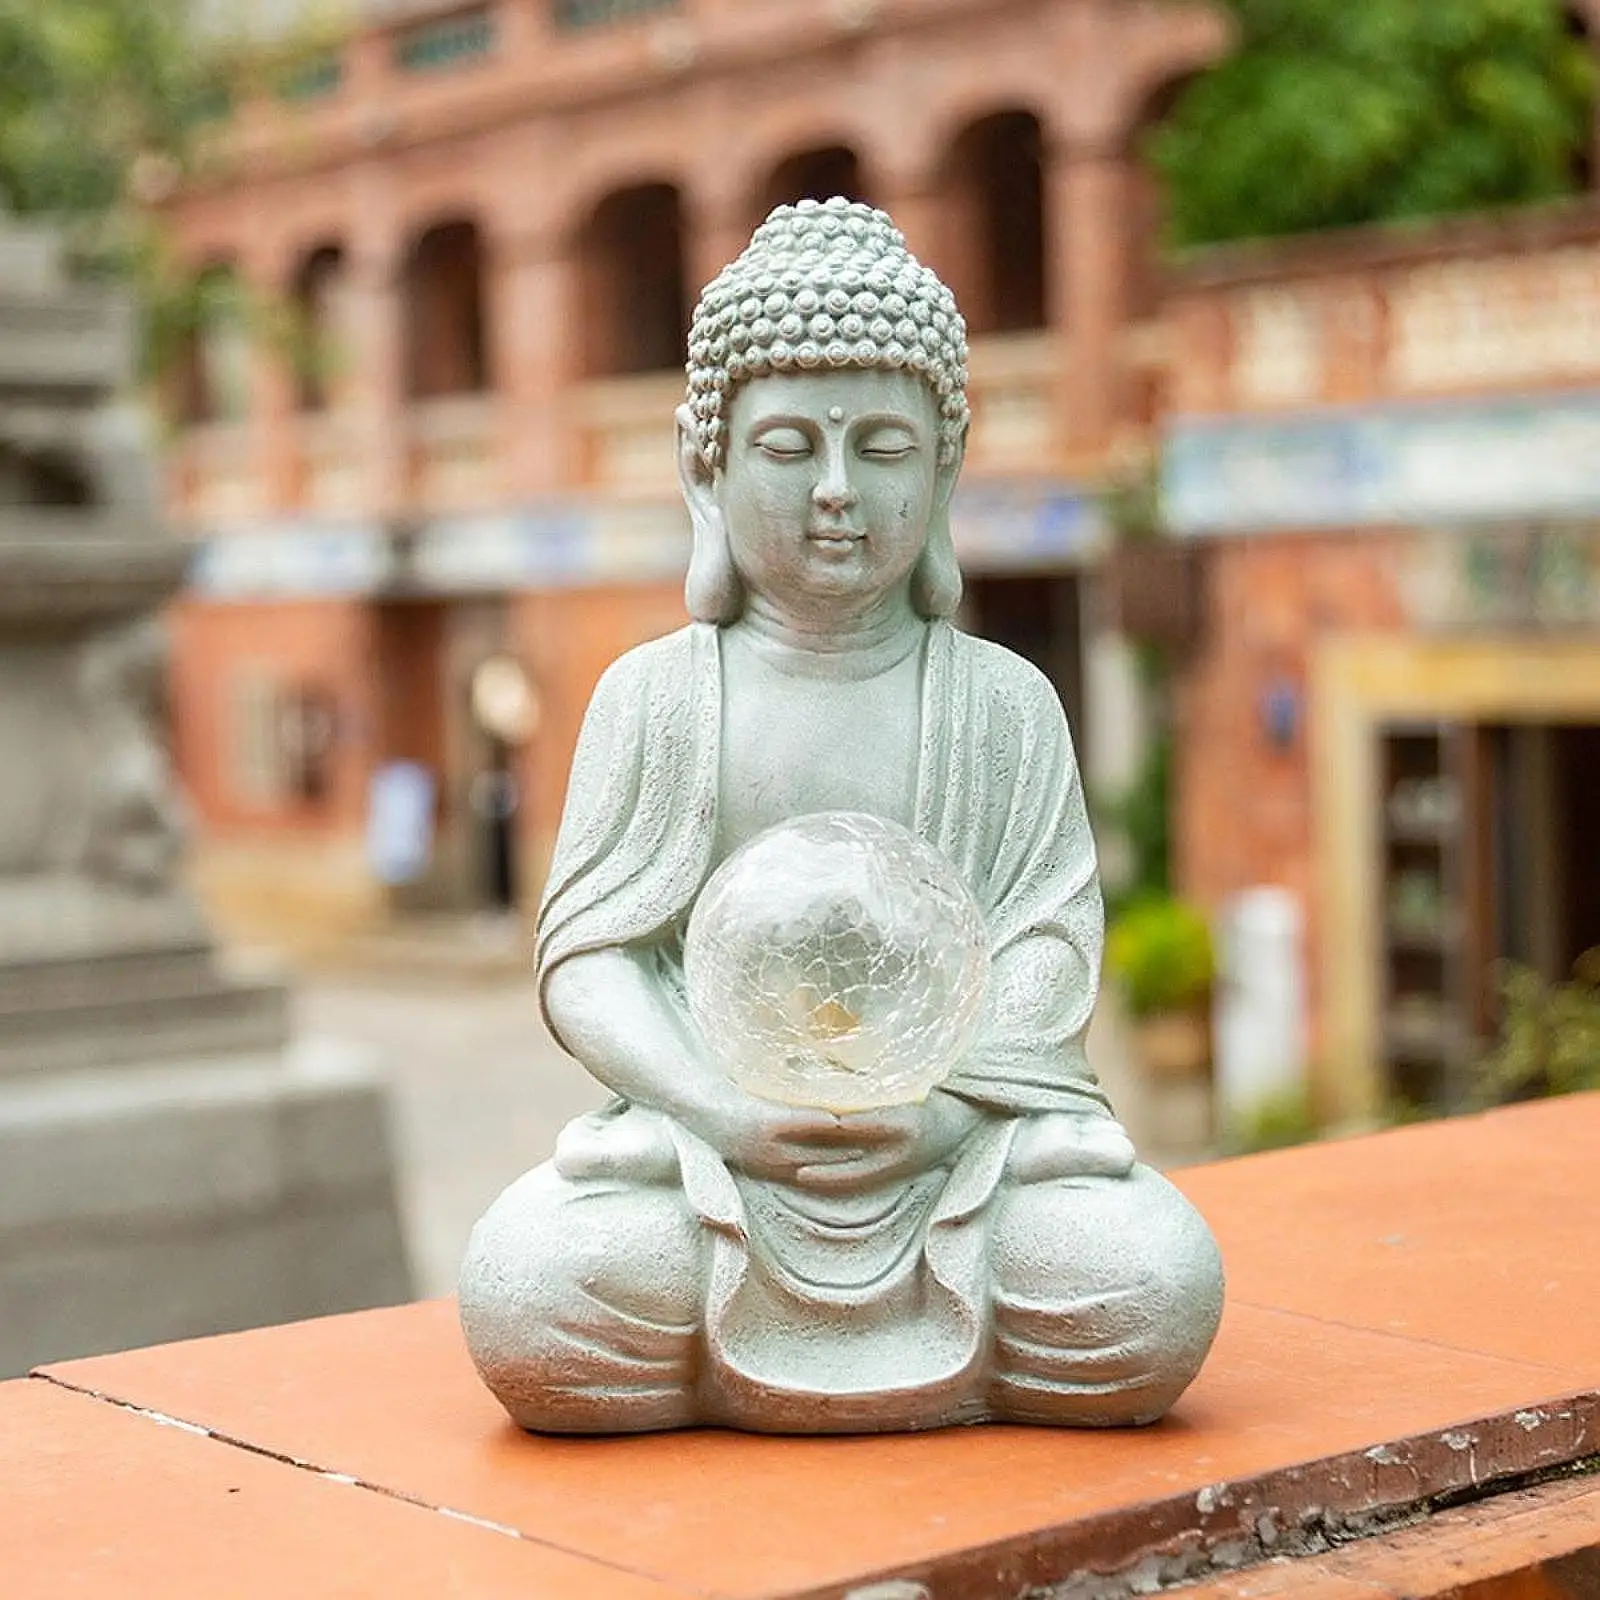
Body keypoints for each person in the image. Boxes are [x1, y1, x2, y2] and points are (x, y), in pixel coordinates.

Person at [459, 199, 1223, 1434]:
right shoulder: (658, 697)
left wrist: (939, 1111)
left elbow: (1044, 946)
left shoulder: (1001, 703)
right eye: (784, 448)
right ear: (703, 465)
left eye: (880, 447)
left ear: (944, 466)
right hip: (714, 1154)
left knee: (1147, 1282)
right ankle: (797, 1336)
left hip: (952, 1154)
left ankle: (892, 1333)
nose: (834, 492)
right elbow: (590, 957)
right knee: (533, 1292)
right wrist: (717, 1110)